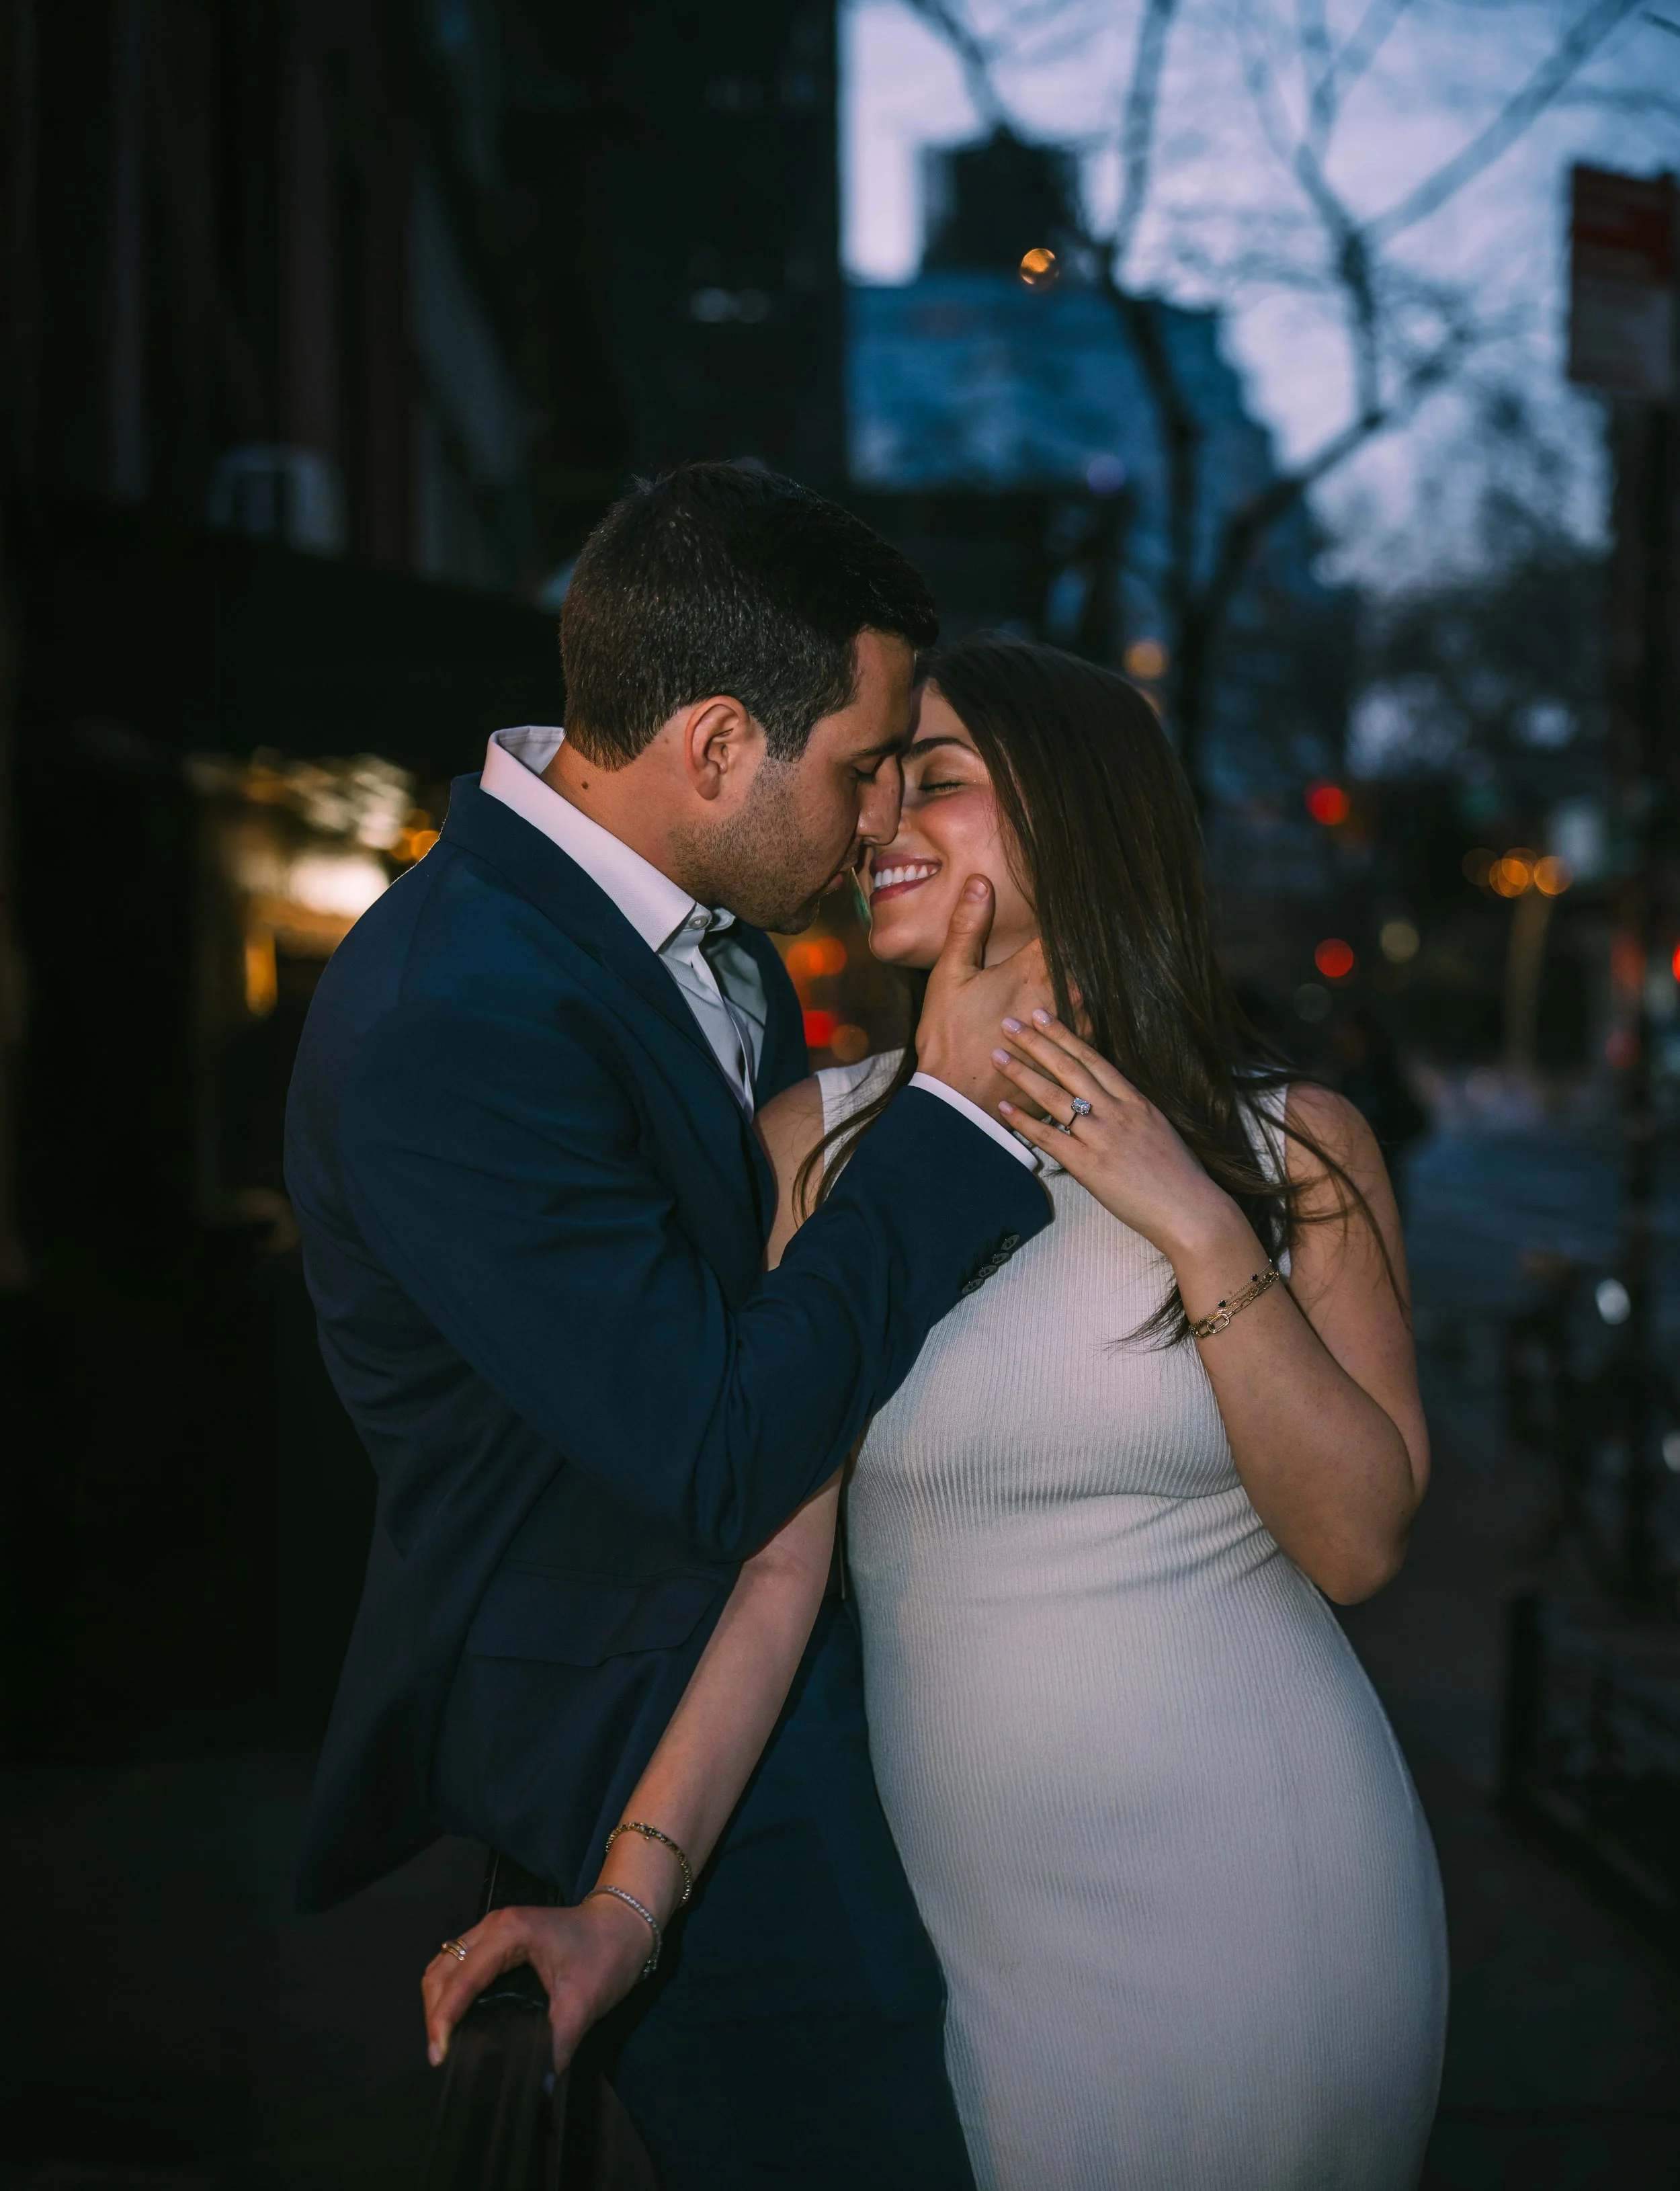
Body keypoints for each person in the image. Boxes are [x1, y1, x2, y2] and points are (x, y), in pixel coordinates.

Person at [439, 634, 1450, 2189]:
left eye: (941, 780)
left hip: (1270, 1886)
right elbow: (771, 1575)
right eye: (875, 783)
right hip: (976, 1939)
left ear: (1080, 818)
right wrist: (623, 1909)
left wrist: (1191, 1220)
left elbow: (1361, 1542)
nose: (876, 824)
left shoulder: (1288, 1146)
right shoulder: (818, 1148)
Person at [284, 467, 1058, 2191]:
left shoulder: (716, 951)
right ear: (716, 746)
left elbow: (785, 1294)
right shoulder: (452, 1012)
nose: (875, 823)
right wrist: (952, 1122)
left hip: (816, 1665)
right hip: (644, 1712)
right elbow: (710, 1447)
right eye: (861, 768)